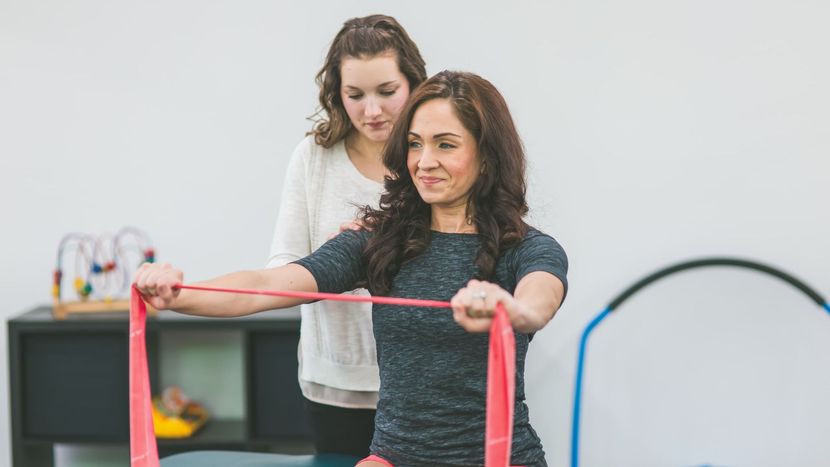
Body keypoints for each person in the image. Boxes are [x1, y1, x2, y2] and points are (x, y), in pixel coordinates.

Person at [136, 70, 567, 467]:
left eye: (446, 144)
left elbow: (539, 298)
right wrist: (178, 294)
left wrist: (510, 310)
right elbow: (268, 285)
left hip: (502, 457)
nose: (424, 161)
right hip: (393, 458)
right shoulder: (381, 241)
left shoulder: (525, 249)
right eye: (415, 143)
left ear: (487, 157)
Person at [266, 14, 426, 456]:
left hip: (424, 382)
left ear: (413, 84)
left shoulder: (432, 155)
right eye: (355, 95)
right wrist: (336, 264)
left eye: (387, 92)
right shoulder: (313, 157)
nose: (371, 111)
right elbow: (282, 266)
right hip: (335, 382)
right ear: (337, 93)